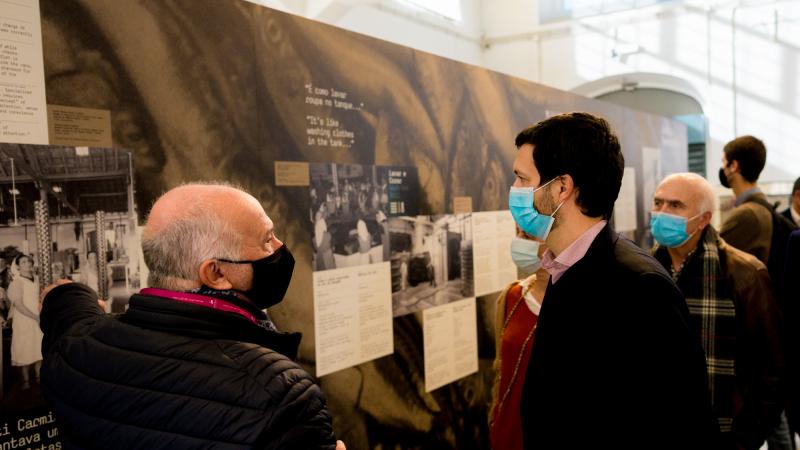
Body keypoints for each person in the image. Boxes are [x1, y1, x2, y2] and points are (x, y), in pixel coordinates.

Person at [39, 183, 344, 450]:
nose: (279, 247)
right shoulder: (281, 396)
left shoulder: (75, 351)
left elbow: (69, 314)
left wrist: (64, 293)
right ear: (216, 272)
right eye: (267, 239)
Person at [511, 113, 717, 449]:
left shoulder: (640, 287)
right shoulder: (563, 268)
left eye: (522, 179)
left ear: (561, 188)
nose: (515, 191)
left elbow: (683, 423)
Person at [650, 173, 785, 449]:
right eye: (658, 203)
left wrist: (746, 438)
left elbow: (771, 367)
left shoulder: (745, 274)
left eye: (675, 206)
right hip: (656, 427)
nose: (662, 213)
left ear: (704, 219)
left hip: (724, 432)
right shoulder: (645, 270)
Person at [489, 232, 548, 450]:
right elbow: (501, 371)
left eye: (530, 235)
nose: (521, 241)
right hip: (508, 432)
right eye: (519, 233)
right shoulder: (512, 296)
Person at [718, 135, 773, 264]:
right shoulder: (761, 206)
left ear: (734, 166)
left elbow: (716, 257)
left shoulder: (747, 214)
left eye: (724, 163)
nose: (723, 169)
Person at [8, 254, 42, 390]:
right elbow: (19, 305)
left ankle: (39, 376)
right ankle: (26, 380)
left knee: (38, 346)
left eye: (29, 261)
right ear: (18, 266)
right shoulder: (16, 283)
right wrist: (35, 317)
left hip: (37, 317)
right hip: (25, 318)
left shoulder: (37, 279)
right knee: (24, 347)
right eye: (23, 262)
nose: (27, 264)